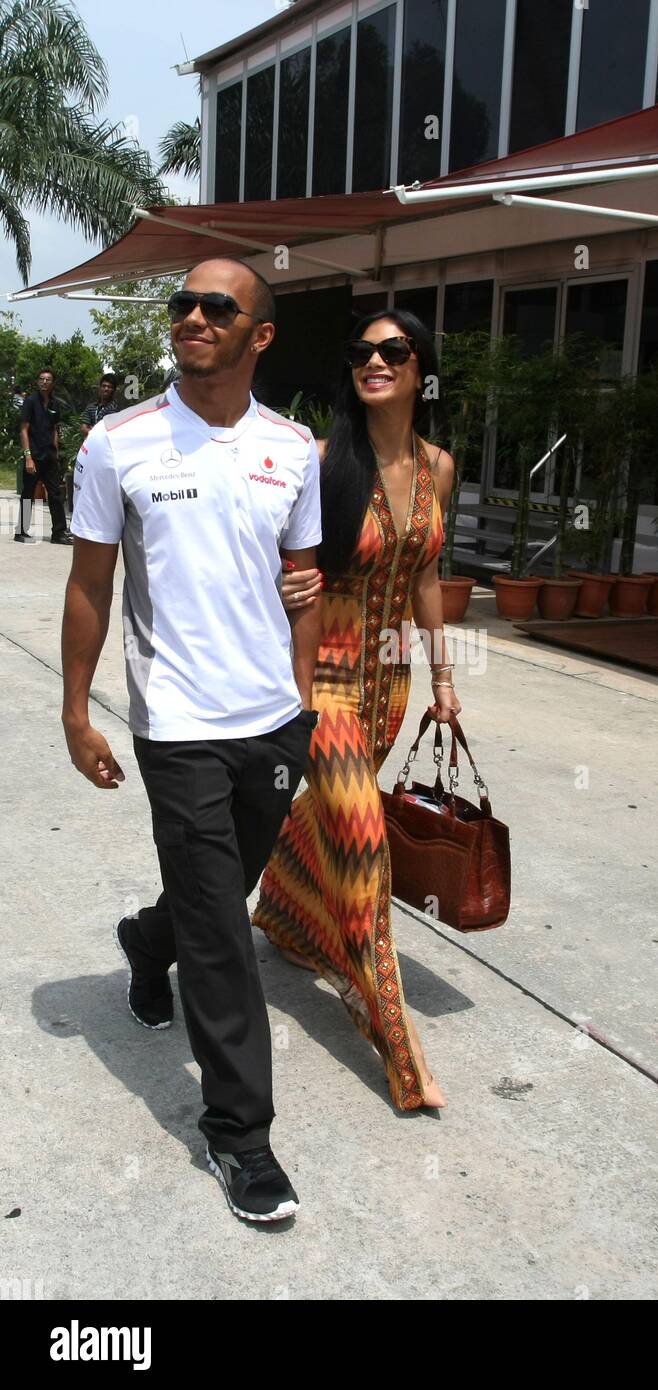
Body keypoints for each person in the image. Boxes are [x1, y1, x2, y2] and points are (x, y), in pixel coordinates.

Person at [61, 257, 323, 1223]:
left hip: (271, 726)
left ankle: (143, 938)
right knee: (224, 934)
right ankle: (240, 1138)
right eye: (184, 303)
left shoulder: (294, 449)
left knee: (225, 890)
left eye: (220, 307)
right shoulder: (117, 442)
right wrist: (77, 710)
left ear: (259, 336)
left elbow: (303, 582)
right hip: (175, 726)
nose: (194, 317)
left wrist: (301, 705)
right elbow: (91, 586)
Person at [253, 310, 459, 1111]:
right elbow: (266, 550)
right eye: (361, 353)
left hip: (390, 686)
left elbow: (427, 578)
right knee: (366, 844)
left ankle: (285, 910)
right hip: (324, 679)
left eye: (392, 352)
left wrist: (445, 682)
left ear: (418, 369)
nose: (374, 363)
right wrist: (283, 583)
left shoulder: (438, 467)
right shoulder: (319, 459)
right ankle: (398, 1051)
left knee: (335, 816)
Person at [16, 368, 71, 544]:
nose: (44, 382)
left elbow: (54, 429)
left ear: (52, 383)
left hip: (49, 456)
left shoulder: (55, 404)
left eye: (48, 379)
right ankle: (21, 532)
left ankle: (58, 533)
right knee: (28, 493)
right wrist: (28, 457)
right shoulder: (30, 402)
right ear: (37, 381)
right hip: (34, 455)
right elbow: (24, 430)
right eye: (41, 379)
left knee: (55, 494)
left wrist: (55, 451)